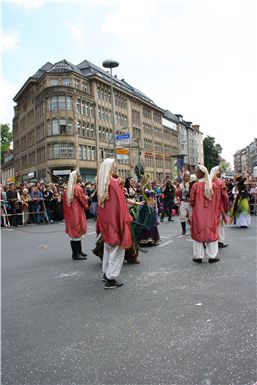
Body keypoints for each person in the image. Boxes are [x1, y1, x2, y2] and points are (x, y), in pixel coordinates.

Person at [96, 158, 132, 289]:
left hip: (106, 222)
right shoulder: (113, 184)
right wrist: (125, 218)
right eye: (113, 167)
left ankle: (106, 273)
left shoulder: (101, 184)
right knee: (117, 250)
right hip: (115, 221)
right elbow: (121, 204)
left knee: (108, 249)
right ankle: (111, 278)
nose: (114, 169)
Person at [190, 165, 220, 263]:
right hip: (211, 214)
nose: (195, 174)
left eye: (197, 172)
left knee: (198, 233)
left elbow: (192, 201)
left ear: (201, 173)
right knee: (211, 233)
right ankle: (212, 256)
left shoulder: (195, 185)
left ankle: (198, 256)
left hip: (198, 214)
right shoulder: (213, 185)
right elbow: (217, 200)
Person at [62, 170, 88, 260]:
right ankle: (76, 254)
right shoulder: (77, 188)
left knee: (75, 232)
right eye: (79, 176)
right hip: (76, 212)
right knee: (77, 231)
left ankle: (78, 251)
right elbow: (83, 200)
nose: (80, 177)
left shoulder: (69, 188)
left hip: (70, 213)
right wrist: (86, 202)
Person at [210, 166, 229, 248]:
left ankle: (210, 240)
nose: (221, 173)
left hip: (209, 209)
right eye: (220, 171)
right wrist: (226, 206)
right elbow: (225, 197)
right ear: (217, 172)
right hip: (218, 207)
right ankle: (219, 241)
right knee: (220, 225)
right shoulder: (221, 183)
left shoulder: (208, 182)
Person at [176, 171, 191, 235]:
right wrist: (179, 191)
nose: (187, 177)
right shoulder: (180, 185)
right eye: (186, 176)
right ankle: (183, 230)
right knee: (182, 215)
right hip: (183, 201)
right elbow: (176, 193)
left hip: (190, 202)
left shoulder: (192, 184)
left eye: (188, 176)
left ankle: (193, 228)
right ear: (183, 177)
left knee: (192, 216)